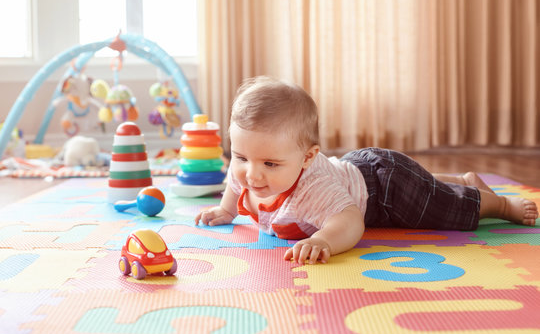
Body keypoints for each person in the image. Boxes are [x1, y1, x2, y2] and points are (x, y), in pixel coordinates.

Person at [195, 76, 539, 265]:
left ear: (308, 157)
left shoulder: (313, 190)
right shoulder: (247, 168)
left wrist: (323, 240)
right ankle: (459, 180)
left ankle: (496, 204)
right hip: (357, 170)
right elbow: (235, 185)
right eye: (241, 157)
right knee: (431, 186)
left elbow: (349, 222)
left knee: (447, 210)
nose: (251, 175)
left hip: (386, 189)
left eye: (270, 164)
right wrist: (226, 210)